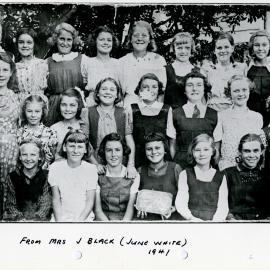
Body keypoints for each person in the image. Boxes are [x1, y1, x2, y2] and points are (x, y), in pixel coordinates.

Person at [86, 77, 136, 178]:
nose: (108, 92)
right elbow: (85, 141)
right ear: (97, 93)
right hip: (96, 160)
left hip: (118, 159)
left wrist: (131, 164)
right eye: (104, 89)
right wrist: (94, 164)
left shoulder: (123, 112)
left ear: (117, 95)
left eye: (112, 90)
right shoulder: (88, 112)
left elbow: (129, 139)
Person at [214, 75, 264, 170]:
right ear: (229, 93)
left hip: (250, 168)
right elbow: (217, 147)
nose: (241, 94)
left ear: (249, 91)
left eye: (244, 90)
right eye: (236, 91)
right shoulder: (221, 116)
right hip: (227, 167)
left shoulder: (257, 117)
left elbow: (260, 147)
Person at [169, 70, 218, 169]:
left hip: (206, 165)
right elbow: (172, 145)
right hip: (182, 165)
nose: (194, 89)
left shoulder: (214, 114)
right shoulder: (175, 113)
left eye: (199, 85)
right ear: (184, 90)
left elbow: (217, 147)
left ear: (204, 89)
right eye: (190, 85)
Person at [175, 134, 228, 221]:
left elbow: (223, 207)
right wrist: (192, 219)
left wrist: (214, 222)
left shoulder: (221, 176)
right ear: (192, 152)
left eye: (206, 149)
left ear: (212, 151)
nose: (202, 154)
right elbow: (180, 204)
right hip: (191, 222)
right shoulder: (185, 174)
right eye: (197, 150)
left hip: (213, 225)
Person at [48, 130, 98, 222]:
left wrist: (79, 222)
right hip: (60, 218)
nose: (75, 151)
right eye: (71, 146)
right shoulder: (55, 168)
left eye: (80, 147)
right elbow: (56, 199)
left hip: (84, 218)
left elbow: (89, 202)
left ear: (85, 149)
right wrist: (60, 222)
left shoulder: (91, 169)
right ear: (64, 147)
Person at [46, 22, 89, 126]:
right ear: (56, 39)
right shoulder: (48, 62)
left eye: (69, 39)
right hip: (54, 107)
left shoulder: (82, 59)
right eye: (62, 39)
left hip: (75, 105)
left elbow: (88, 86)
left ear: (73, 41)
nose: (65, 43)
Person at [128, 73, 173, 168]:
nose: (150, 90)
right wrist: (131, 164)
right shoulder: (132, 109)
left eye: (154, 87)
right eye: (145, 87)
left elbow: (171, 139)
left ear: (159, 90)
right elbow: (129, 137)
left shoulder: (166, 109)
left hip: (160, 158)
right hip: (139, 158)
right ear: (140, 90)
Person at [119, 20, 167, 106]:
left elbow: (161, 92)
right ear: (130, 38)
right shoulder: (122, 61)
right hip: (129, 107)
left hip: (152, 107)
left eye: (144, 35)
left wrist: (158, 111)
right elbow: (119, 93)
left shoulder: (159, 60)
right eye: (136, 35)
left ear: (149, 39)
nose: (140, 38)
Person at [137, 132, 182, 220]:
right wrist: (139, 205)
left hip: (171, 219)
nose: (154, 152)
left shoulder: (175, 168)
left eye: (157, 148)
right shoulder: (140, 171)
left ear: (165, 149)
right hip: (147, 220)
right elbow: (135, 196)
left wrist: (176, 208)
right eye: (149, 149)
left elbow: (185, 195)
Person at [95, 133, 139, 221]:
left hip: (125, 222)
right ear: (103, 152)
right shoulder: (97, 175)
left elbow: (130, 209)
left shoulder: (133, 176)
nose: (113, 154)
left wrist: (121, 226)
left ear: (124, 151)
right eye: (109, 150)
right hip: (103, 221)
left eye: (117, 150)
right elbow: (97, 210)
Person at [224, 134, 270, 220]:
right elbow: (221, 204)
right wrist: (230, 219)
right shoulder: (227, 174)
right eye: (247, 151)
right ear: (240, 152)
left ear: (261, 152)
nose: (251, 155)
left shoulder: (267, 174)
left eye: (255, 151)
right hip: (235, 225)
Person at [4, 140, 51, 221]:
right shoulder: (12, 176)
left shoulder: (47, 176)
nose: (28, 159)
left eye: (33, 155)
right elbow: (11, 204)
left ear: (39, 157)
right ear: (20, 157)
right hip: (19, 220)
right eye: (24, 154)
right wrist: (19, 218)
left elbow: (46, 204)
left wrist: (35, 219)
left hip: (40, 220)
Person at [202, 32, 246, 112]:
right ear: (214, 50)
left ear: (232, 48)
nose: (223, 51)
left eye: (226, 47)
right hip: (213, 113)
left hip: (234, 112)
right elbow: (201, 95)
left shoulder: (241, 69)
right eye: (219, 48)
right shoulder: (207, 70)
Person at [0, 52, 20, 219]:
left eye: (5, 70)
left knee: (7, 188)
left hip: (10, 153)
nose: (1, 74)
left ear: (11, 72)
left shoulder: (17, 97)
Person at [17, 94, 58, 169]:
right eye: (29, 111)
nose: (33, 115)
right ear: (24, 112)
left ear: (43, 112)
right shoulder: (19, 133)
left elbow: (53, 157)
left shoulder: (50, 133)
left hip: (44, 174)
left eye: (37, 111)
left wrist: (50, 157)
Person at [85, 26, 121, 106]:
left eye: (109, 40)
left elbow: (121, 89)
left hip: (113, 105)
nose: (106, 43)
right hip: (92, 104)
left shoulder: (118, 63)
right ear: (95, 42)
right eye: (102, 40)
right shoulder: (87, 62)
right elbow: (82, 84)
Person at [51, 87, 88, 161]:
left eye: (72, 105)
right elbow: (53, 155)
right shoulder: (54, 128)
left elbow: (89, 152)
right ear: (59, 105)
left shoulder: (83, 125)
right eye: (64, 105)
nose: (67, 109)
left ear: (78, 106)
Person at [15, 28, 48, 103]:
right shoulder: (14, 67)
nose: (24, 45)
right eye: (21, 42)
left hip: (39, 107)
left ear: (34, 44)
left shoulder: (43, 64)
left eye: (29, 42)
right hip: (20, 107)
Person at [164, 32, 196, 109]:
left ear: (191, 49)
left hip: (192, 117)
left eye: (187, 48)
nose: (183, 51)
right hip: (171, 117)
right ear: (174, 49)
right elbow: (160, 99)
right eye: (179, 48)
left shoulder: (198, 71)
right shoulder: (165, 70)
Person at [246, 30, 270, 126]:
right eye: (257, 45)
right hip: (251, 114)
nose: (260, 48)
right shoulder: (246, 67)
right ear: (252, 47)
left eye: (264, 45)